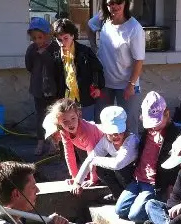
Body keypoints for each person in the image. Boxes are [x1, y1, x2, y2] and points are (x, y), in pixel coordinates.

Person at [115, 91, 181, 223]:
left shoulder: (174, 136)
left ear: (167, 114)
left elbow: (174, 167)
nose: (153, 127)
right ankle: (142, 200)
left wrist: (170, 189)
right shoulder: (148, 131)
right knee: (120, 210)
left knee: (135, 216)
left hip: (153, 183)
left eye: (156, 122)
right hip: (138, 178)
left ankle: (156, 204)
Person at [87, 0, 145, 131]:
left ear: (126, 3)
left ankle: (130, 151)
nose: (114, 6)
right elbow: (90, 26)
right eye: (110, 3)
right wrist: (93, 46)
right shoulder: (103, 18)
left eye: (118, 2)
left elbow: (139, 60)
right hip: (104, 83)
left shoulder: (134, 28)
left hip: (127, 84)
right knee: (102, 121)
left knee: (129, 124)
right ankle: (104, 151)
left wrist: (131, 85)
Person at [72, 106, 138, 201]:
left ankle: (131, 196)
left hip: (133, 179)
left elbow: (117, 164)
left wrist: (95, 160)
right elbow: (91, 157)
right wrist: (78, 182)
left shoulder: (131, 141)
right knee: (100, 167)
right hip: (120, 174)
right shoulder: (105, 140)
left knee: (118, 168)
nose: (115, 135)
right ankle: (118, 195)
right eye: (111, 132)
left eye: (119, 131)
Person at [52, 18, 105, 124]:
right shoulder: (55, 55)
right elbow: (55, 78)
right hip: (65, 99)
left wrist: (97, 87)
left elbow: (97, 70)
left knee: (87, 125)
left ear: (73, 35)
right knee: (68, 127)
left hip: (85, 97)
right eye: (59, 40)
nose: (62, 43)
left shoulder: (85, 52)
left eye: (65, 38)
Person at [45, 98, 103, 186]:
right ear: (59, 122)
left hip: (105, 147)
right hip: (86, 147)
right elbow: (69, 154)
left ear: (78, 114)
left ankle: (97, 178)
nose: (70, 124)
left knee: (102, 173)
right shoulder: (64, 132)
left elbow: (92, 157)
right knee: (82, 159)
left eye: (73, 118)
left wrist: (93, 179)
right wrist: (74, 177)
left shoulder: (86, 131)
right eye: (65, 121)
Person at [25, 17, 60, 157]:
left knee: (54, 116)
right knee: (40, 116)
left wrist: (44, 55)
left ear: (47, 35)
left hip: (53, 90)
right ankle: (40, 142)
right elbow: (29, 66)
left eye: (40, 37)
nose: (38, 41)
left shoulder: (55, 48)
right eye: (34, 38)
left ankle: (54, 143)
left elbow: (56, 67)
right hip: (38, 89)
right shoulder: (31, 49)